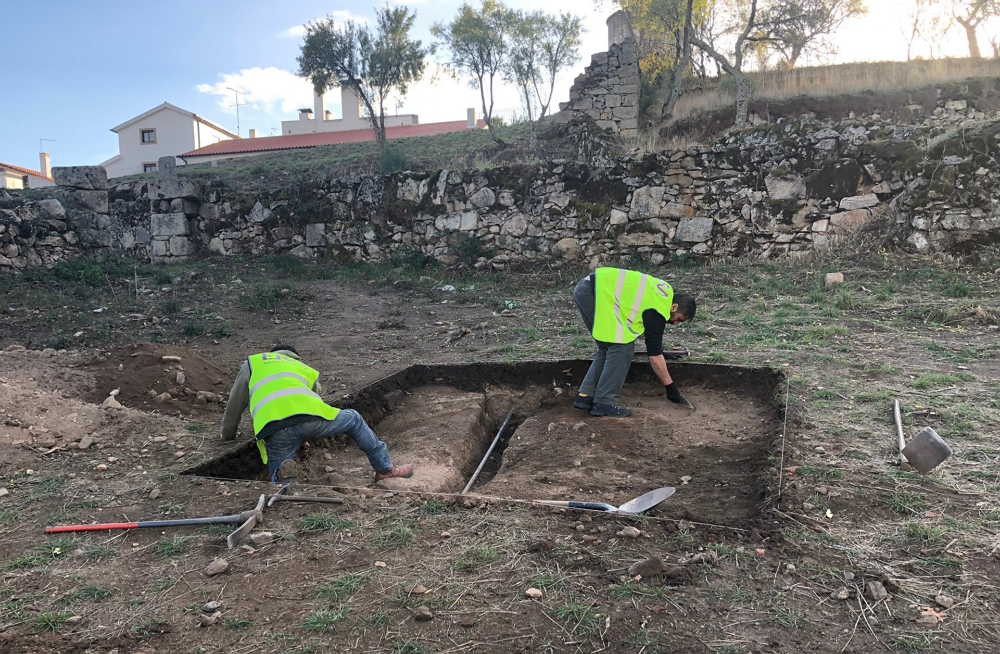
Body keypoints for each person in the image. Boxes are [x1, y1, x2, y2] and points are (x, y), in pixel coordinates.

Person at [220, 345, 414, 483]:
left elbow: (235, 404)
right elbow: (314, 404)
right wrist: (305, 434)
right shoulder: (302, 368)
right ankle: (385, 469)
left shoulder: (253, 364)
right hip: (310, 420)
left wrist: (227, 436)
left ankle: (285, 485)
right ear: (294, 357)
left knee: (280, 479)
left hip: (275, 429)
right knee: (353, 418)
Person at [572, 267, 696, 417]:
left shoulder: (663, 293)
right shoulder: (658, 310)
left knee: (607, 347)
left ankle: (585, 396)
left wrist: (661, 351)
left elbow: (651, 336)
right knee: (621, 348)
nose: (676, 323)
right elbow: (654, 357)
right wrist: (671, 389)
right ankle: (604, 403)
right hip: (596, 294)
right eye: (679, 319)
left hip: (589, 288)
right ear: (674, 307)